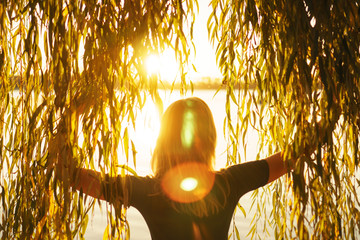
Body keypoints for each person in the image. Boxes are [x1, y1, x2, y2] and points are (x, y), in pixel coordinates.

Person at [60, 97, 294, 240]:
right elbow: (292, 156)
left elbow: (68, 173)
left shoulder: (148, 192)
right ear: (210, 139)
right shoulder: (229, 183)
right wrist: (328, 114)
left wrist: (74, 111)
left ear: (162, 141)